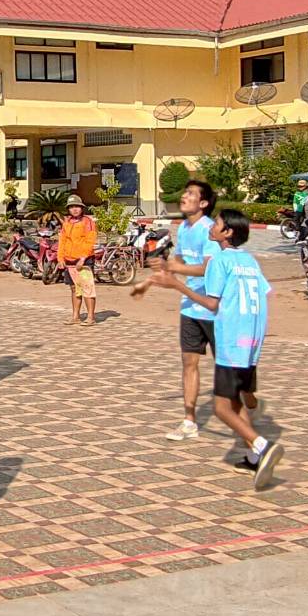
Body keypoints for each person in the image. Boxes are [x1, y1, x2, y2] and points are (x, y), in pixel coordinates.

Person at [149, 208, 284, 490]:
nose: (213, 226)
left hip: (231, 341)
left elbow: (212, 304)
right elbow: (264, 292)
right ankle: (253, 455)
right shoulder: (249, 260)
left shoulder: (219, 261)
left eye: (218, 224)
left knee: (221, 408)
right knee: (235, 402)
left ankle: (263, 445)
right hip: (251, 340)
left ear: (227, 232)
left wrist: (176, 285)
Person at [133, 180, 223, 442]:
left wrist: (172, 268)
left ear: (203, 203)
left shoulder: (210, 230)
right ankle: (189, 421)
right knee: (189, 364)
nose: (184, 196)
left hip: (215, 307)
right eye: (185, 192)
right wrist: (152, 278)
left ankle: (243, 411)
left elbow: (208, 269)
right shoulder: (183, 228)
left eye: (191, 194)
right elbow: (180, 262)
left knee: (226, 368)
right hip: (190, 308)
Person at [57, 194, 98, 326]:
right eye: (71, 207)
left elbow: (90, 241)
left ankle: (91, 317)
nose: (74, 209)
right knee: (74, 288)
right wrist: (60, 258)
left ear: (82, 208)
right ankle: (76, 316)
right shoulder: (66, 223)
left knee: (87, 288)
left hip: (84, 260)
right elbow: (62, 241)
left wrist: (83, 258)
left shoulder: (88, 222)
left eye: (77, 207)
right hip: (69, 261)